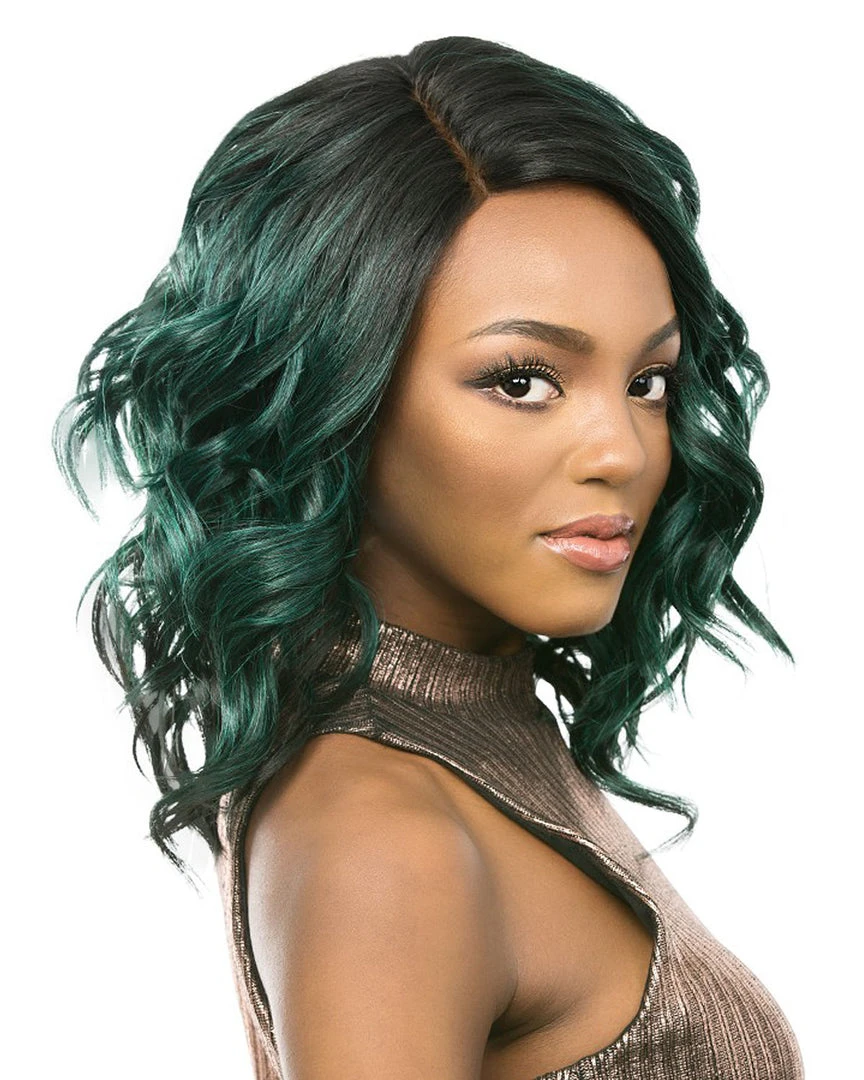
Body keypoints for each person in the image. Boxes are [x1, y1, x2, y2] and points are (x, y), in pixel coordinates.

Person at [52, 35, 804, 1079]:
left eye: (648, 382)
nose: (624, 452)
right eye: (521, 380)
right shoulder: (383, 835)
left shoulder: (474, 727)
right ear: (337, 395)